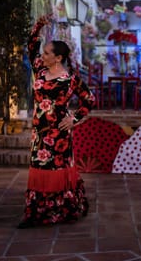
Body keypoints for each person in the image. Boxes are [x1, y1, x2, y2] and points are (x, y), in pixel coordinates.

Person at [17, 15, 95, 228]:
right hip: (40, 134)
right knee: (39, 170)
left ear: (58, 58)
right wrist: (39, 25)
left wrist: (74, 119)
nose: (42, 55)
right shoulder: (40, 71)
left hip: (59, 134)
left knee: (57, 172)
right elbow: (31, 46)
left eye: (47, 53)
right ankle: (35, 213)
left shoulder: (70, 80)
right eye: (43, 53)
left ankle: (62, 210)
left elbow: (89, 99)